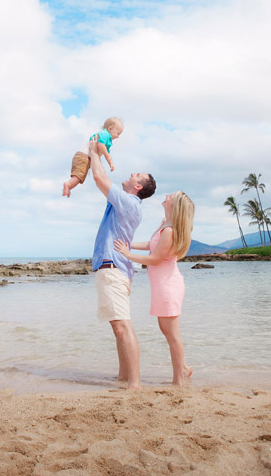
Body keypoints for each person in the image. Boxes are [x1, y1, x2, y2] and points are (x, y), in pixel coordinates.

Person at [87, 136, 155, 390]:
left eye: (138, 175)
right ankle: (123, 377)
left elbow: (99, 180)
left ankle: (134, 383)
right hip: (115, 269)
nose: (133, 173)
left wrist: (95, 151)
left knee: (122, 327)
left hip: (113, 269)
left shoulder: (128, 202)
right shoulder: (126, 203)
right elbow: (102, 180)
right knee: (118, 327)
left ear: (138, 187)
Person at [114, 191, 194, 386]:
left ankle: (179, 379)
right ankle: (183, 369)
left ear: (174, 205)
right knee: (165, 329)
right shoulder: (164, 225)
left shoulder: (170, 231)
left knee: (171, 332)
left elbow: (155, 259)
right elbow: (151, 246)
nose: (167, 196)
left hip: (168, 286)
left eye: (171, 196)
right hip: (162, 286)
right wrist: (128, 245)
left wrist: (127, 255)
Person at [62, 117, 124, 198]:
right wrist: (109, 159)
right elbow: (101, 146)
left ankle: (68, 187)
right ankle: (68, 184)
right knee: (78, 176)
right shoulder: (104, 134)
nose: (118, 136)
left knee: (80, 177)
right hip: (84, 156)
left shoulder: (107, 140)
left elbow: (107, 152)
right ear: (110, 128)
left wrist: (110, 163)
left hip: (84, 157)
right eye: (118, 133)